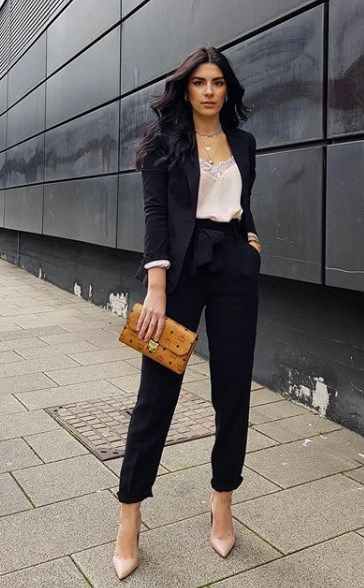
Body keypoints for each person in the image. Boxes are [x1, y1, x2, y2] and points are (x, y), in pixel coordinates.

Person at [113, 46, 262, 581]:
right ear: (186, 87)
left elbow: (244, 198)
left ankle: (223, 503)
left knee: (232, 390)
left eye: (217, 81)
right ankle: (129, 515)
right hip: (177, 273)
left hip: (234, 273)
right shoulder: (163, 144)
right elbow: (156, 214)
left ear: (228, 89)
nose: (208, 90)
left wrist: (249, 239)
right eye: (198, 81)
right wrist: (156, 288)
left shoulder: (243, 143)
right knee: (155, 395)